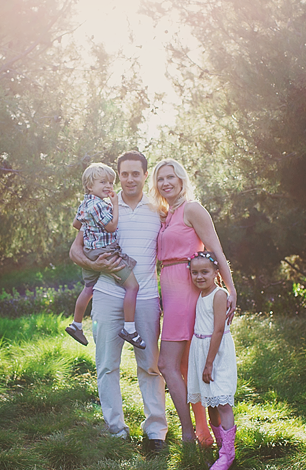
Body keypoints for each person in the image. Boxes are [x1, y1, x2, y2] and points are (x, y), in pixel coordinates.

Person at [69, 151, 167, 452]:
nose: (129, 179)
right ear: (118, 176)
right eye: (124, 174)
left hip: (147, 297)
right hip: (107, 296)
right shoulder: (101, 207)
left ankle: (155, 433)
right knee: (106, 365)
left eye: (135, 173)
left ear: (144, 175)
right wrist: (99, 267)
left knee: (150, 366)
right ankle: (116, 430)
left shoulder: (159, 209)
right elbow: (75, 251)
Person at [152, 158, 237, 445]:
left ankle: (190, 433)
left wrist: (231, 289)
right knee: (187, 364)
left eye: (170, 177)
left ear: (181, 179)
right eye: (160, 178)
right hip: (170, 288)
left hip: (189, 290)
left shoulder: (192, 209)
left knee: (167, 363)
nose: (165, 183)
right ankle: (203, 434)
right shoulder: (166, 214)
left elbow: (216, 250)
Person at [65, 163, 146, 350]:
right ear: (89, 186)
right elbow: (111, 226)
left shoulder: (85, 204)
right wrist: (115, 205)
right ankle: (129, 328)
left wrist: (90, 228)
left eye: (110, 182)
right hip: (106, 252)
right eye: (103, 182)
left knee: (89, 288)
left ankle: (76, 324)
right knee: (133, 287)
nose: (109, 186)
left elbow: (76, 224)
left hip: (91, 252)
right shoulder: (99, 205)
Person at [186, 251, 238, 470]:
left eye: (204, 272)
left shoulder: (219, 294)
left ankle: (228, 454)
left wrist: (209, 364)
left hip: (215, 354)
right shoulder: (200, 294)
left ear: (216, 272)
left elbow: (218, 329)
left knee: (223, 403)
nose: (199, 277)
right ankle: (220, 447)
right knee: (211, 403)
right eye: (194, 272)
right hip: (201, 351)